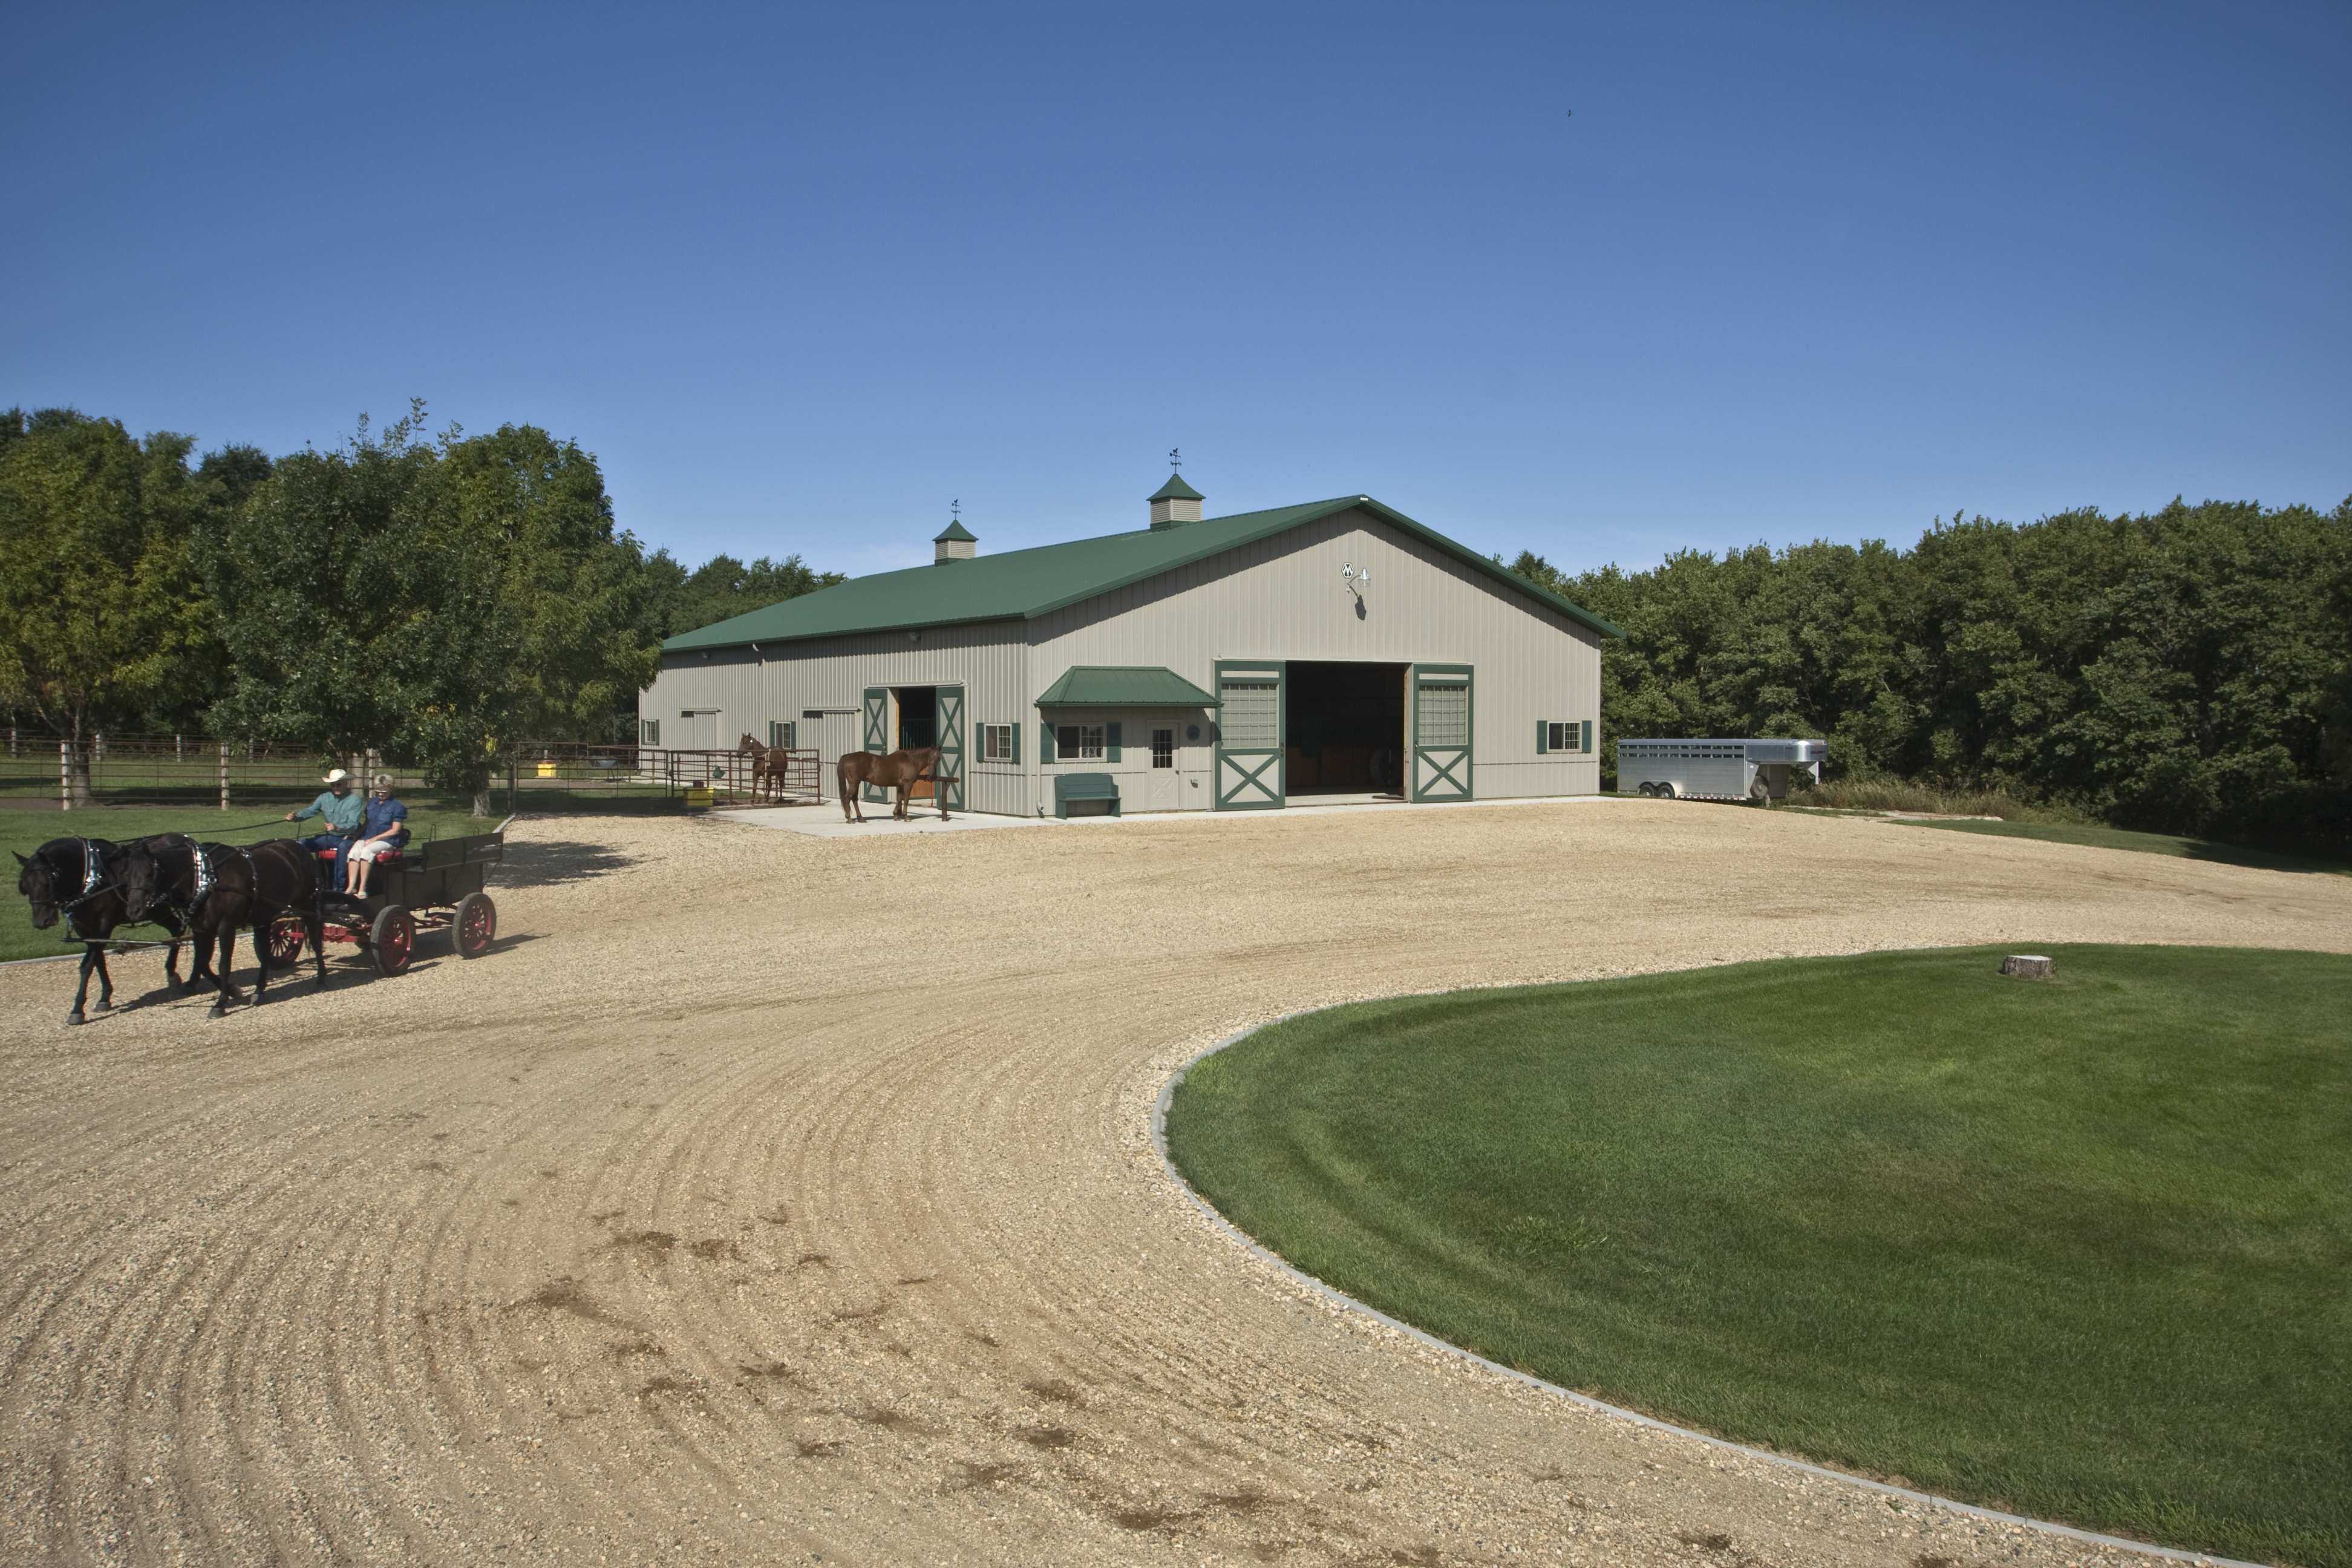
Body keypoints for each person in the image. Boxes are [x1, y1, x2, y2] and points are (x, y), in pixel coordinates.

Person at [286, 768, 364, 886]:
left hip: (348, 838)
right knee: (299, 844)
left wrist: (337, 827)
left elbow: (353, 824)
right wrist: (296, 817)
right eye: (333, 785)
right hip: (330, 837)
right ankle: (305, 880)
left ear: (346, 784)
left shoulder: (355, 800)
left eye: (339, 784)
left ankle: (339, 887)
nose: (336, 788)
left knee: (343, 849)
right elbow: (311, 811)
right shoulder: (324, 797)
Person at [345, 775, 410, 895]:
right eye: (378, 792)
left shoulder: (397, 807)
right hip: (369, 837)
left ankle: (362, 888)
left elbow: (395, 830)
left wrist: (375, 839)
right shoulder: (372, 803)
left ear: (391, 789)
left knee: (366, 852)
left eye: (384, 792)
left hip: (388, 840)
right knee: (354, 852)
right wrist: (354, 835)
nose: (381, 794)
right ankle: (351, 886)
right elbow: (367, 823)